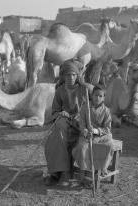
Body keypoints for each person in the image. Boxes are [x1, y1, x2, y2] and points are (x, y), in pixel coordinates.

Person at [44, 59, 92, 187]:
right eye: (68, 75)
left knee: (65, 131)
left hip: (81, 123)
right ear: (63, 76)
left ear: (77, 76)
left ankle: (66, 172)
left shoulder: (85, 89)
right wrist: (61, 113)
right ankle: (61, 172)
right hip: (65, 121)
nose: (71, 77)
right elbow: (55, 111)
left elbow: (98, 104)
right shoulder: (60, 91)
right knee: (58, 130)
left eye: (73, 75)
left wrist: (84, 114)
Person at [72, 84, 114, 187]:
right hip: (86, 136)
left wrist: (95, 131)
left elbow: (107, 128)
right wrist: (85, 130)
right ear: (92, 95)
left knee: (109, 145)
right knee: (82, 147)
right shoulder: (85, 107)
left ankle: (100, 168)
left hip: (100, 136)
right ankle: (84, 173)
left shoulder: (106, 111)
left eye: (100, 96)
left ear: (104, 98)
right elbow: (81, 122)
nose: (97, 98)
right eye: (96, 95)